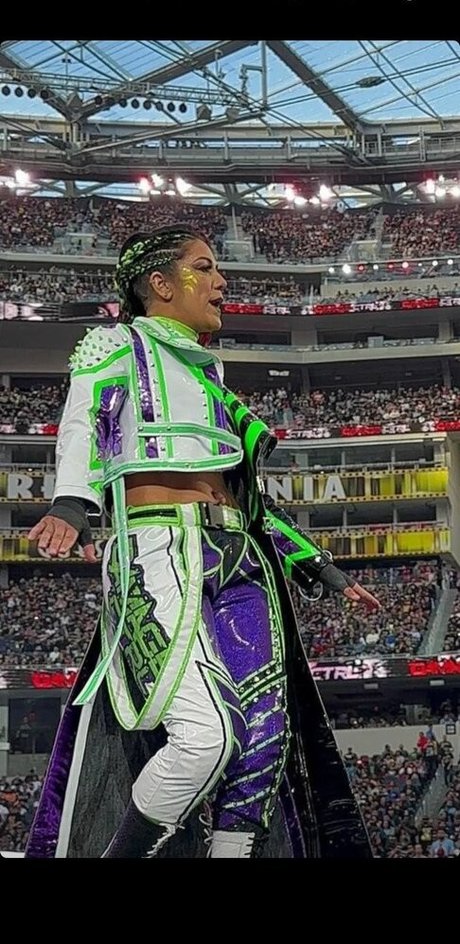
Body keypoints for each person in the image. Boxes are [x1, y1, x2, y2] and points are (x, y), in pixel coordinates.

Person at [25, 225, 379, 859]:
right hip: (160, 546)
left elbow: (250, 500)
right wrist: (73, 503)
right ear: (161, 284)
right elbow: (83, 424)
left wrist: (318, 566)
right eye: (205, 267)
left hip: (244, 558)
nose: (221, 282)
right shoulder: (116, 343)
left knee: (265, 737)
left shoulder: (212, 373)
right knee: (206, 737)